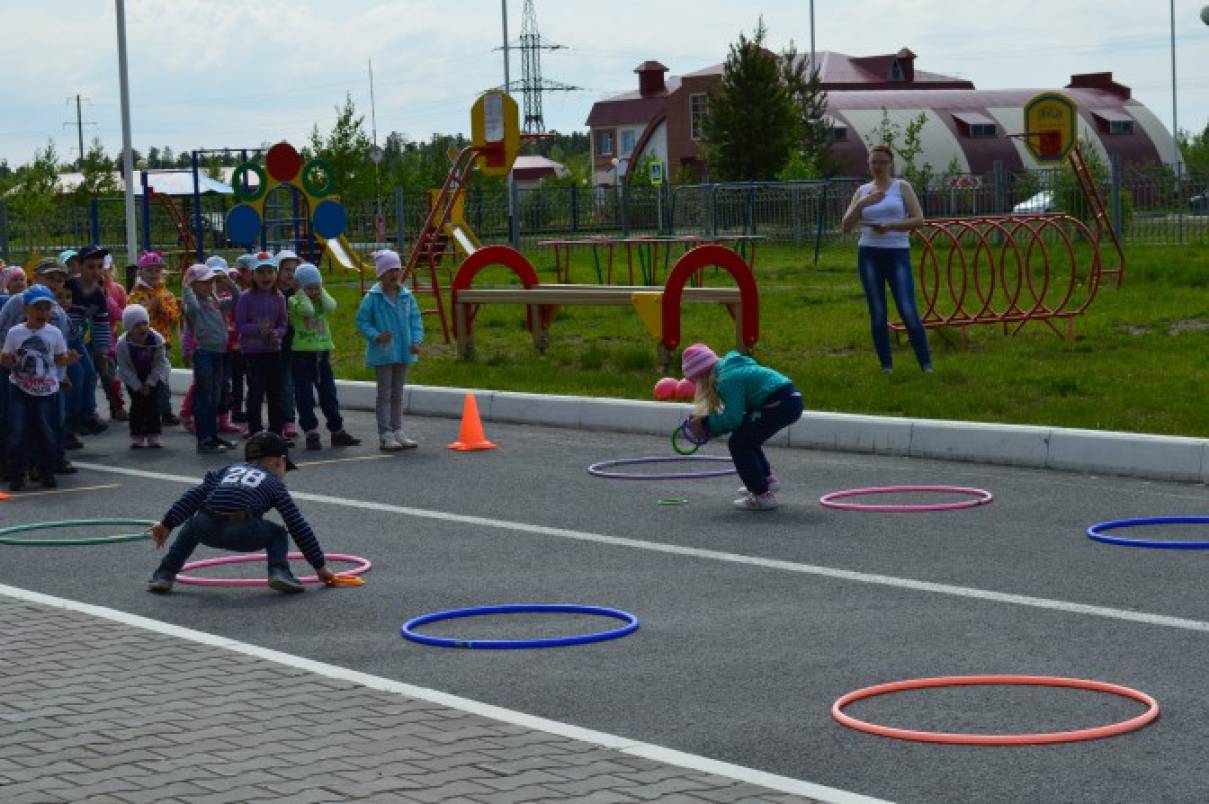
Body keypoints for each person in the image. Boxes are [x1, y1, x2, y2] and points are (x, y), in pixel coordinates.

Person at [145, 430, 337, 594]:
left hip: (207, 526)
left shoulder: (227, 470)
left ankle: (165, 574)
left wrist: (167, 524)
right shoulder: (275, 484)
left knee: (192, 525)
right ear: (281, 461)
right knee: (278, 533)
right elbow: (297, 525)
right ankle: (279, 572)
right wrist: (320, 567)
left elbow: (192, 497)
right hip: (242, 530)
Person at [840, 143, 933, 374]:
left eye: (882, 161)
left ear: (890, 163)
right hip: (869, 253)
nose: (878, 166)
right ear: (868, 164)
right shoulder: (862, 191)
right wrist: (862, 204)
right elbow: (846, 227)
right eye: (874, 162)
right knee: (878, 311)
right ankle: (886, 366)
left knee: (907, 308)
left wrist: (891, 225)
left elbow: (919, 219)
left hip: (897, 253)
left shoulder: (901, 187)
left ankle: (926, 365)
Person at [683, 343, 803, 511]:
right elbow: (737, 416)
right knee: (747, 436)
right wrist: (710, 424)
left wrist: (705, 424)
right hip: (787, 399)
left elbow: (732, 418)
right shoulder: (729, 369)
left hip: (779, 403)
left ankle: (762, 495)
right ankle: (766, 480)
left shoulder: (726, 379)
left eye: (696, 382)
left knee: (739, 443)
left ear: (702, 375)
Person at [0, 259, 79, 473]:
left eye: (60, 280)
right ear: (35, 278)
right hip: (13, 373)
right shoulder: (16, 303)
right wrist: (6, 358)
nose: (55, 283)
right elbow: (2, 330)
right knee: (13, 417)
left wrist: (62, 374)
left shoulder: (58, 315)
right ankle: (11, 461)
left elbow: (60, 350)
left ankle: (53, 458)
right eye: (50, 278)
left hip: (46, 377)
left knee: (52, 418)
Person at [356, 250, 424, 452]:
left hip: (403, 352)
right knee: (384, 394)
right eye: (389, 271)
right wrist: (376, 335)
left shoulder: (406, 296)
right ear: (380, 274)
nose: (394, 274)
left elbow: (416, 321)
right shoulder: (373, 298)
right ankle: (385, 434)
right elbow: (362, 321)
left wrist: (417, 341)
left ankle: (397, 430)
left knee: (397, 394)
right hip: (383, 353)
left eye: (397, 269)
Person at [288, 263, 360, 450]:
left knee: (329, 393)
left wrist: (322, 291)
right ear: (300, 287)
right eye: (308, 288)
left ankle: (337, 430)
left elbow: (332, 307)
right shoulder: (294, 300)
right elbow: (308, 311)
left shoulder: (321, 299)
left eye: (316, 287)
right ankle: (311, 431)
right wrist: (301, 293)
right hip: (302, 355)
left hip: (321, 354)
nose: (313, 292)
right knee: (304, 395)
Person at [182, 262, 240, 453]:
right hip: (205, 354)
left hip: (219, 354)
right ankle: (204, 439)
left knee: (215, 397)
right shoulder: (195, 307)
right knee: (204, 397)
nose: (209, 286)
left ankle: (212, 435)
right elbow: (190, 304)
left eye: (210, 282)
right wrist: (187, 285)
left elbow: (236, 299)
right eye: (204, 283)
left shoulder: (213, 302)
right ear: (194, 285)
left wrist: (229, 282)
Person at [234, 252, 287, 438]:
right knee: (255, 393)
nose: (266, 277)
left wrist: (277, 333)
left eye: (270, 272)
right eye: (261, 272)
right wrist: (258, 329)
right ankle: (255, 431)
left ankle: (276, 433)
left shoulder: (279, 297)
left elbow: (283, 324)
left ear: (276, 274)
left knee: (275, 394)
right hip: (253, 353)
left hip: (273, 351)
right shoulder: (245, 297)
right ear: (253, 275)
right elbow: (240, 325)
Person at [128, 251, 183, 423]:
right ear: (141, 272)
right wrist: (150, 309)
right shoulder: (136, 294)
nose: (154, 274)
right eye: (149, 270)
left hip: (161, 344)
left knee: (162, 377)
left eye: (157, 270)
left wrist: (162, 309)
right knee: (144, 378)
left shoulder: (166, 294)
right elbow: (130, 318)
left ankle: (165, 411)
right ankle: (145, 411)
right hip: (141, 345)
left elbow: (174, 318)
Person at [64, 245, 113, 436]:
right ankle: (70, 418)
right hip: (60, 339)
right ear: (79, 266)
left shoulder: (98, 294)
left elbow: (101, 323)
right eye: (91, 266)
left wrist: (102, 350)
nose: (96, 271)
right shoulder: (69, 286)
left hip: (75, 339)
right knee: (76, 373)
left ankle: (88, 414)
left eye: (100, 267)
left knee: (91, 373)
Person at [115, 304, 171, 449]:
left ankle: (154, 435)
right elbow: (124, 368)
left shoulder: (157, 340)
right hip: (133, 375)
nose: (142, 328)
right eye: (137, 325)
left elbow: (160, 363)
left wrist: (150, 382)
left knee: (153, 405)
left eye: (145, 323)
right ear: (128, 328)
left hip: (153, 373)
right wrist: (138, 386)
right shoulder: (122, 344)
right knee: (137, 405)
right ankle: (137, 435)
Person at [274, 250, 301, 438]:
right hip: (274, 344)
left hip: (294, 343)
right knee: (276, 384)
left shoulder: (298, 293)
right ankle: (277, 419)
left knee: (289, 383)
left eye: (294, 270)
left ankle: (289, 420)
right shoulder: (272, 293)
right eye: (286, 269)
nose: (290, 274)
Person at [100, 255, 128, 421]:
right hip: (90, 339)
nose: (102, 273)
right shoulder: (87, 289)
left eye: (105, 269)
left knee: (109, 375)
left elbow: (120, 314)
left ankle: (116, 406)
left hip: (110, 339)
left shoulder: (117, 289)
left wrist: (106, 297)